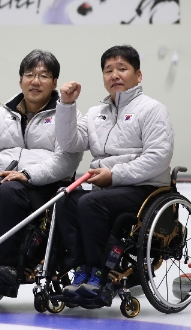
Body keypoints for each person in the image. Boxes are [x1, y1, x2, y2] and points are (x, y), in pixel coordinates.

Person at [0, 50, 83, 293]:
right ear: (20, 80)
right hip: (3, 181)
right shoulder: (2, 114)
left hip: (45, 187)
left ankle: (9, 265)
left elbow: (67, 160)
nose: (35, 81)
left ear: (54, 82)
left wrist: (28, 175)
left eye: (43, 76)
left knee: (10, 192)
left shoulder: (65, 113)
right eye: (29, 75)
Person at [55, 45, 174, 298]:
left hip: (145, 187)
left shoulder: (152, 109)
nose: (115, 75)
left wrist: (115, 175)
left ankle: (101, 274)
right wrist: (66, 105)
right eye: (108, 70)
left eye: (122, 68)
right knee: (65, 199)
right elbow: (69, 143)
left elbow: (158, 158)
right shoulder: (96, 113)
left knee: (90, 203)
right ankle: (81, 270)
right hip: (106, 188)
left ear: (138, 75)